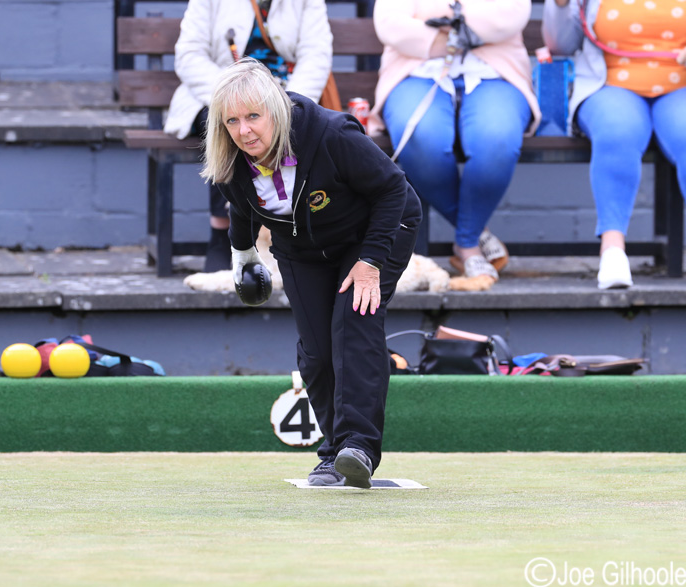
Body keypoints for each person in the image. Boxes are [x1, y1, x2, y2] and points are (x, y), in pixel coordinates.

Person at [201, 58, 422, 488]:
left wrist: (372, 260)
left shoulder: (331, 134)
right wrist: (244, 258)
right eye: (232, 120)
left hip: (375, 232)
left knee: (353, 326)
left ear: (275, 110)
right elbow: (242, 207)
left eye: (253, 117)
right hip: (302, 249)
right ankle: (332, 452)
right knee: (317, 351)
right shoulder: (230, 158)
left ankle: (356, 446)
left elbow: (394, 189)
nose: (244, 131)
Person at [543, 0, 686, 289]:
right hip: (610, 85)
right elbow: (559, 45)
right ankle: (613, 249)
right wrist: (561, 6)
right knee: (617, 132)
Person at [368, 0, 541, 291]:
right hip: (415, 70)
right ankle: (474, 237)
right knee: (422, 138)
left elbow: (509, 15)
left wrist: (437, 23)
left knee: (496, 140)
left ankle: (468, 244)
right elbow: (390, 24)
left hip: (496, 72)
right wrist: (462, 32)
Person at [164, 0, 333, 272]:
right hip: (217, 91)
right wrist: (230, 97)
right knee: (231, 125)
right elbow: (189, 55)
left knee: (290, 126)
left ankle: (288, 239)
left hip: (283, 94)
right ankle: (225, 234)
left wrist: (287, 106)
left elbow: (316, 55)